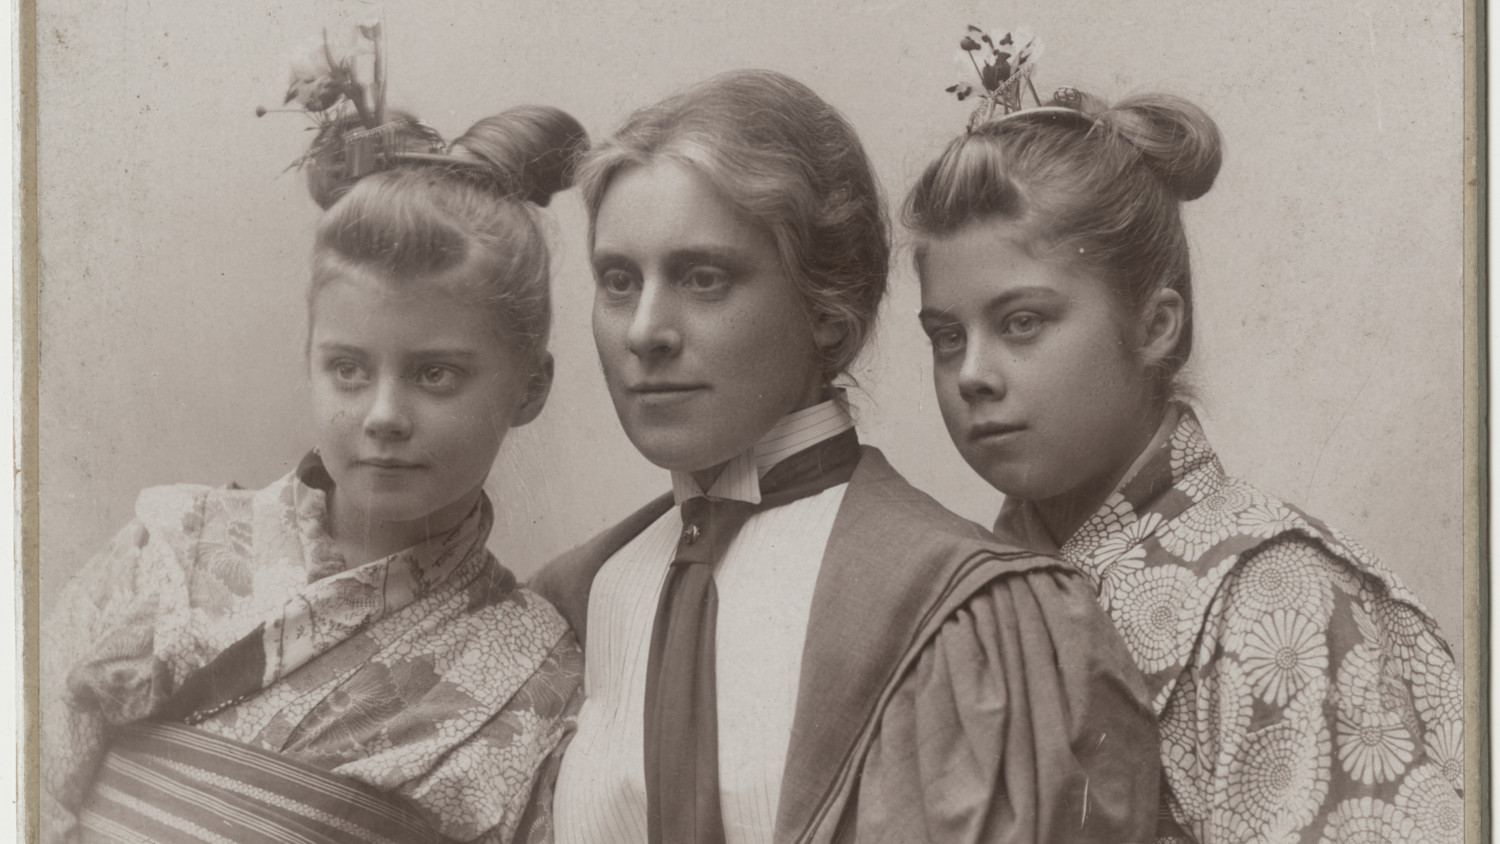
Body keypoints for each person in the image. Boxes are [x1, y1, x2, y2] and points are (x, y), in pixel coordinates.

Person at [531, 68, 1160, 844]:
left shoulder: (973, 611)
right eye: (619, 281)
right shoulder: (571, 603)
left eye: (703, 278)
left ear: (828, 308)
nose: (644, 331)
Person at [904, 81, 1464, 843]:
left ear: (1156, 327)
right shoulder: (975, 602)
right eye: (946, 338)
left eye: (1022, 322)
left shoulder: (1278, 599)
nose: (972, 374)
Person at [41, 95, 590, 843]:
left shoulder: (537, 670)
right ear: (310, 361)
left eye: (435, 375)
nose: (383, 415)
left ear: (530, 388)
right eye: (348, 369)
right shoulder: (173, 547)